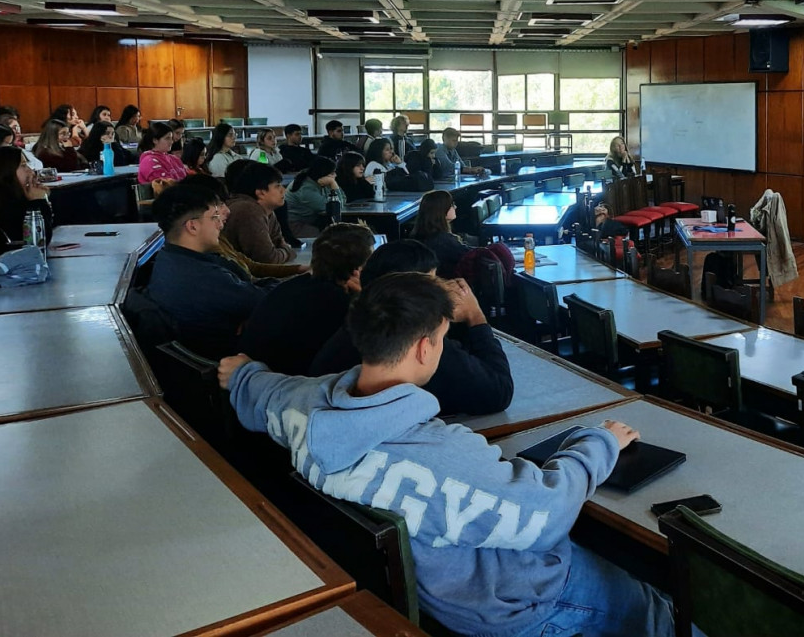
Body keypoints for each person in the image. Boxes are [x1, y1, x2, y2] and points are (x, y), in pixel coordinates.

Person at [220, 272, 672, 637]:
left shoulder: (300, 403)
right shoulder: (439, 455)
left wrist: (242, 373)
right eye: (441, 337)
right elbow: (548, 513)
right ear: (424, 347)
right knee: (654, 605)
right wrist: (600, 442)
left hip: (428, 596)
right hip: (509, 606)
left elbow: (257, 390)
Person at [309, 239, 514, 416]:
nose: (442, 289)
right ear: (410, 294)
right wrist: (475, 317)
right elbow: (498, 391)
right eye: (432, 283)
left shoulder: (360, 324)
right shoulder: (415, 342)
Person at [147, 183, 268, 358]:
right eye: (214, 217)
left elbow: (252, 291)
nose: (220, 224)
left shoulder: (173, 258)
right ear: (193, 226)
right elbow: (266, 301)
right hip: (232, 364)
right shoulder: (199, 277)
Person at [238, 223, 374, 375]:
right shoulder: (340, 306)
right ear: (358, 271)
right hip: (287, 390)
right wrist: (366, 300)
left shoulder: (290, 287)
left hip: (248, 383)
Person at [178, 174, 307, 281]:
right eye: (219, 205)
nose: (227, 210)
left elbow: (251, 266)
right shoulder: (207, 256)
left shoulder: (218, 238)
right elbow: (267, 260)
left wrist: (300, 269)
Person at [223, 161, 296, 265]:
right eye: (277, 186)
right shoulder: (248, 210)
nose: (283, 190)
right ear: (261, 192)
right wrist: (288, 251)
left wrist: (283, 250)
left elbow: (278, 243)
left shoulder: (266, 209)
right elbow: (268, 259)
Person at [411, 189, 471, 278]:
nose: (455, 207)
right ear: (441, 210)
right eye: (452, 205)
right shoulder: (443, 240)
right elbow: (471, 255)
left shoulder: (420, 234)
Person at [284, 156, 342, 237]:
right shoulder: (306, 188)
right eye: (332, 173)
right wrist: (333, 184)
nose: (335, 175)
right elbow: (336, 207)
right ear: (322, 173)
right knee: (328, 239)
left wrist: (332, 185)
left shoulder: (318, 181)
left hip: (312, 221)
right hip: (296, 225)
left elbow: (342, 200)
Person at [136, 121, 188, 185]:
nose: (171, 142)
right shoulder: (148, 161)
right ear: (155, 140)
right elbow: (165, 186)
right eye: (167, 138)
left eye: (171, 138)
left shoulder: (175, 159)